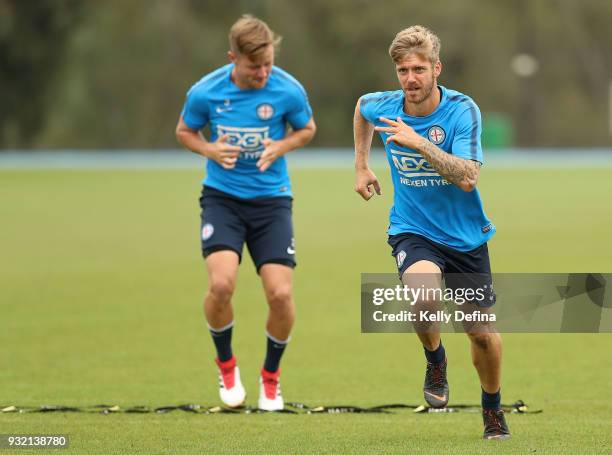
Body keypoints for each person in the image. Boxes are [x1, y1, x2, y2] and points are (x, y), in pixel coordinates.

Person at [353, 25, 510, 439]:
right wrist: (361, 164)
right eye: (403, 70)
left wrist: (417, 142)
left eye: (419, 69)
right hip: (412, 229)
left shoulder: (462, 111)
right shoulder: (384, 105)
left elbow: (468, 177)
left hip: (465, 239)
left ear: (436, 68)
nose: (411, 79)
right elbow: (361, 108)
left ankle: (492, 408)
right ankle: (436, 361)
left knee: (481, 335)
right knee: (422, 296)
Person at [175, 14, 316, 411]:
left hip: (272, 201)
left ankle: (270, 378)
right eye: (255, 67)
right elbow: (184, 131)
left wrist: (281, 146)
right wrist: (209, 150)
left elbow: (307, 129)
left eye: (269, 63)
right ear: (232, 58)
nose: (264, 73)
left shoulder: (288, 90)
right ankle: (226, 367)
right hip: (222, 198)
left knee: (281, 293)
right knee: (221, 287)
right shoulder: (205, 92)